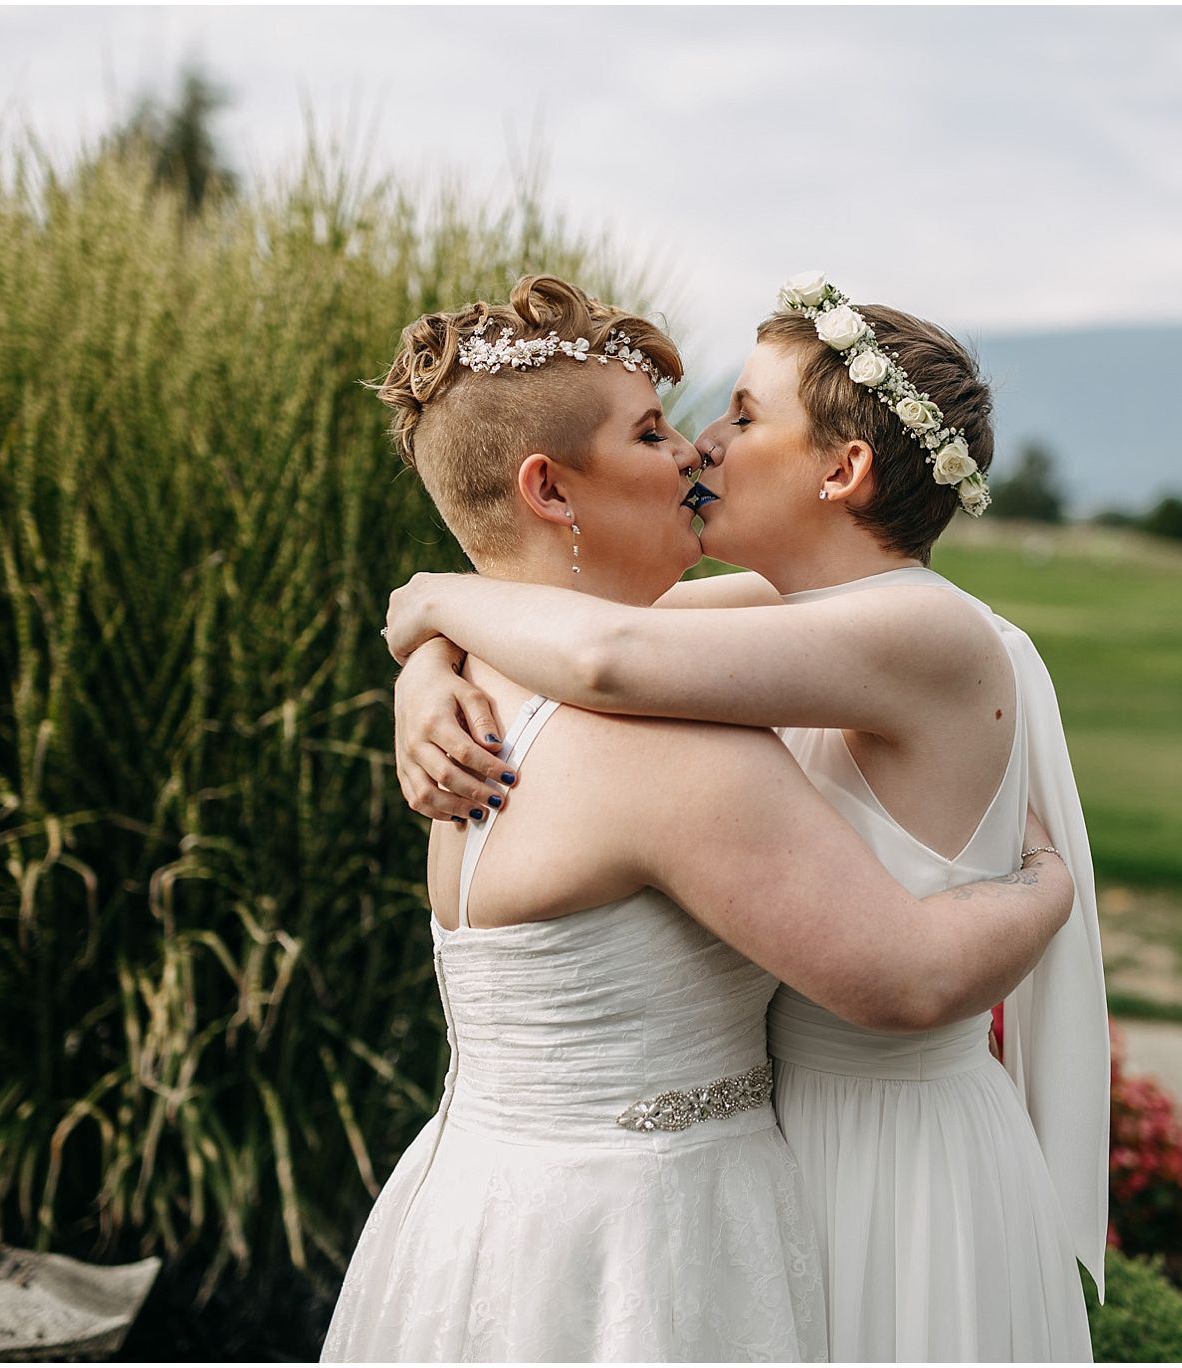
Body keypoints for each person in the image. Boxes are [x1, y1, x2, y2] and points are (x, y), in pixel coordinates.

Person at [323, 275, 1079, 1362]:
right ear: (550, 488)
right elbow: (603, 652)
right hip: (647, 1239)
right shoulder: (656, 728)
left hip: (486, 1226)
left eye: (733, 416)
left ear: (844, 468)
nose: (694, 450)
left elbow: (605, 650)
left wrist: (435, 623)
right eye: (655, 430)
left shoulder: (534, 691)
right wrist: (428, 649)